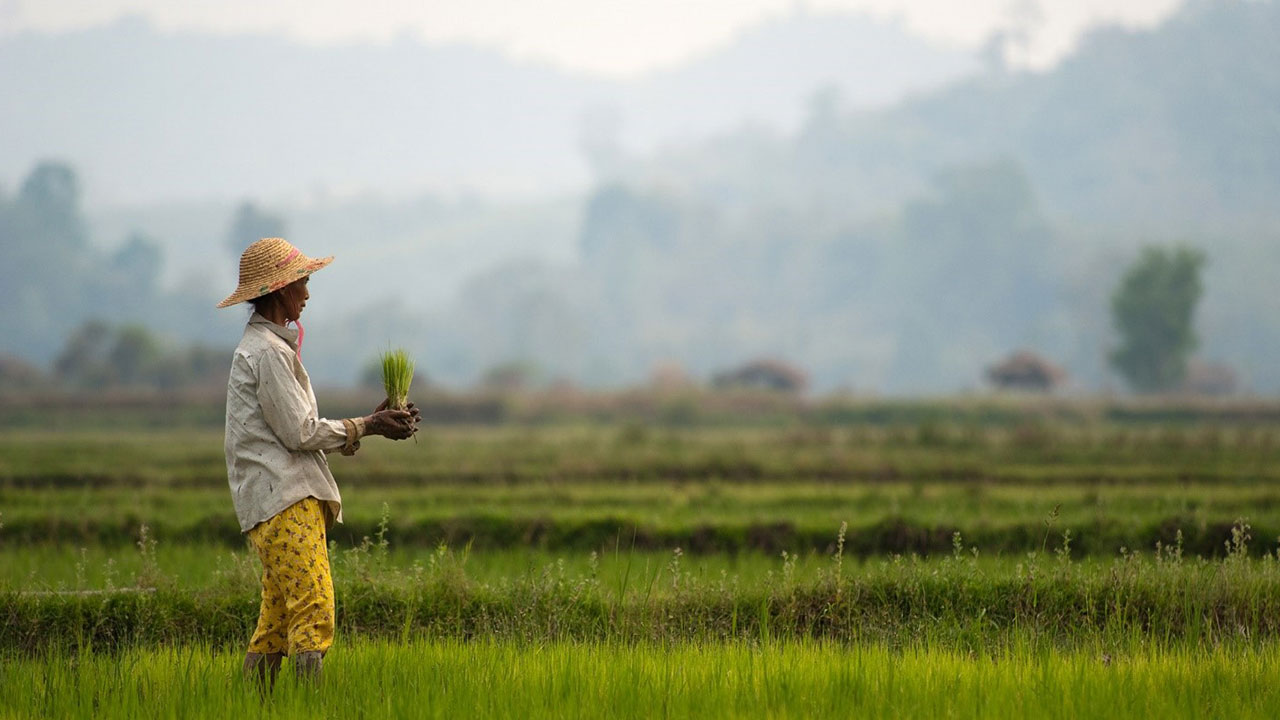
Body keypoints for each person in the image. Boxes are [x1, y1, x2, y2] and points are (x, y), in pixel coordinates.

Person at [216, 237, 419, 688]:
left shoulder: (269, 348)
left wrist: (371, 421)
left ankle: (253, 706)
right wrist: (369, 424)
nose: (308, 293)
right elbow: (301, 432)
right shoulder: (268, 353)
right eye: (303, 282)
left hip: (274, 502)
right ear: (281, 289)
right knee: (314, 608)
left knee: (276, 622)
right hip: (285, 501)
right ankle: (311, 706)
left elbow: (295, 431)